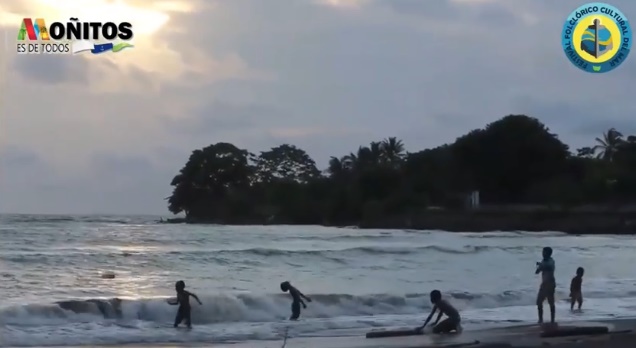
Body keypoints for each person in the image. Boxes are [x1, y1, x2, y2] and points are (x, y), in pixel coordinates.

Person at [535, 247, 556, 324]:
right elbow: (537, 272)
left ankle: (552, 320)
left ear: (548, 253)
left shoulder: (551, 261)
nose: (543, 253)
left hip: (550, 283)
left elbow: (549, 266)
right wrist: (539, 267)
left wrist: (541, 265)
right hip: (544, 284)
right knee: (539, 302)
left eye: (544, 252)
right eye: (542, 252)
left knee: (551, 302)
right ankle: (540, 319)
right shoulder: (543, 261)